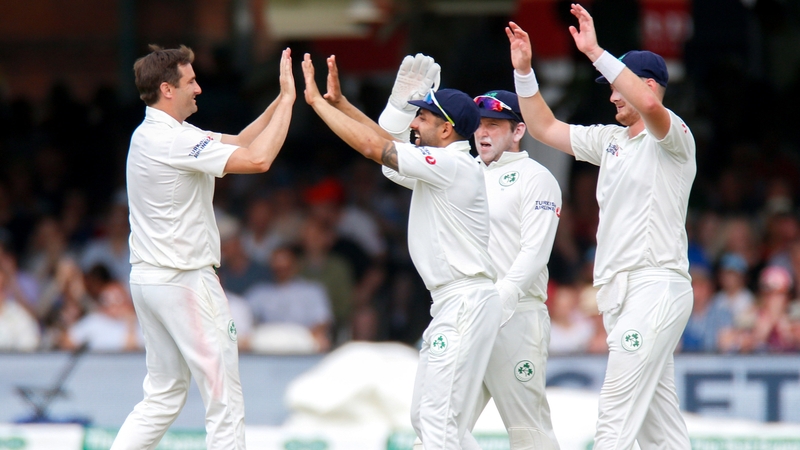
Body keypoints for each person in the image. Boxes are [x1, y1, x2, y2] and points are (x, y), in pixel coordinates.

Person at [507, 4, 697, 449]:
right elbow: (543, 127)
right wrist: (524, 72)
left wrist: (594, 52)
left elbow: (649, 105)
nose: (612, 97)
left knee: (614, 413)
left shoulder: (673, 136)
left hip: (655, 285)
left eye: (616, 87)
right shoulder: (610, 140)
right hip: (617, 295)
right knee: (659, 430)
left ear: (646, 84)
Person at [301, 53, 502, 449]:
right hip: (457, 302)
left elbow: (374, 148)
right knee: (431, 419)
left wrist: (317, 105)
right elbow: (389, 150)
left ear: (446, 129)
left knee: (438, 421)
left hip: (464, 302)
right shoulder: (442, 166)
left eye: (422, 118)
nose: (414, 124)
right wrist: (342, 104)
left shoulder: (450, 166)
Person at [111, 45, 296, 450]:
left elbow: (242, 140)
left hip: (150, 280)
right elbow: (259, 159)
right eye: (191, 81)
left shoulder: (157, 133)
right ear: (167, 89)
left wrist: (281, 98)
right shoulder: (173, 141)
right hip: (185, 282)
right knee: (223, 397)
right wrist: (290, 104)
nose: (198, 88)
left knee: (162, 396)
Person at [464, 89, 561, 449]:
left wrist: (500, 301)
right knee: (438, 426)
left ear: (518, 130)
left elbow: (535, 252)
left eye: (493, 125)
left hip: (516, 316)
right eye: (478, 124)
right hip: (468, 314)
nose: (482, 133)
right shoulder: (463, 171)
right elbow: (393, 168)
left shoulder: (536, 177)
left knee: (528, 432)